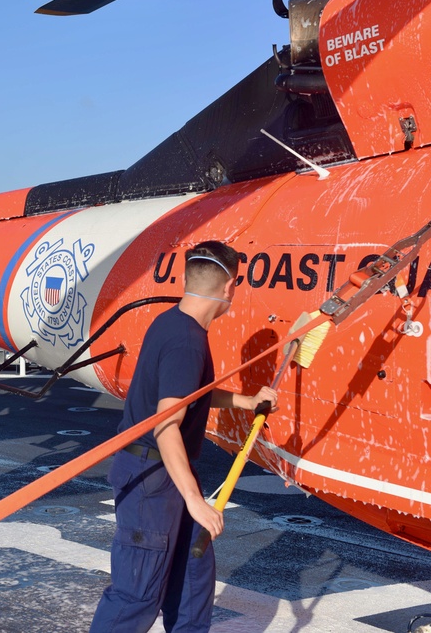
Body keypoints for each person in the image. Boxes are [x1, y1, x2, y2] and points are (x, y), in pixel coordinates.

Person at [90, 241, 278, 632]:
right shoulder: (187, 341)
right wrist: (195, 500)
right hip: (151, 478)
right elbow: (166, 423)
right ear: (230, 288)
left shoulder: (172, 322)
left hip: (168, 473)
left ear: (186, 279)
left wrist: (246, 401)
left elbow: (187, 391)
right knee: (137, 594)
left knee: (192, 582)